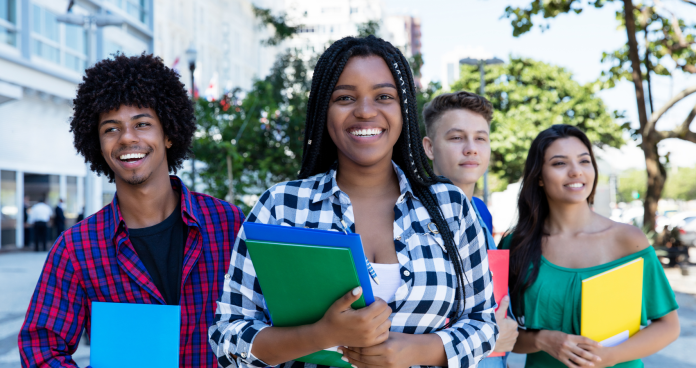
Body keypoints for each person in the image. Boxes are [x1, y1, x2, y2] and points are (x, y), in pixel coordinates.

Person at [209, 35, 498, 368]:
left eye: (383, 96)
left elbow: (483, 322)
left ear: (403, 109)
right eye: (345, 97)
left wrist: (417, 350)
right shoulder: (282, 206)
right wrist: (321, 334)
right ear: (323, 110)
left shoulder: (450, 206)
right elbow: (228, 337)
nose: (364, 111)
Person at [18, 53, 245, 367]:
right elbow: (41, 350)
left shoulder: (230, 226)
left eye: (142, 124)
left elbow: (268, 324)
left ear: (168, 134)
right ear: (97, 144)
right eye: (111, 129)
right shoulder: (76, 248)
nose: (127, 138)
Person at [501, 124, 680, 368]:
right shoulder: (515, 245)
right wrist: (542, 340)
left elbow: (668, 326)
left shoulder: (628, 240)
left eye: (584, 161)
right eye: (559, 163)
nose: (576, 172)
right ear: (539, 177)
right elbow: (496, 333)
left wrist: (610, 357)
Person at [421, 91, 519, 368]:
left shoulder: (480, 211)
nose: (471, 148)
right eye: (456, 138)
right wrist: (488, 341)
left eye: (480, 138)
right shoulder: (411, 215)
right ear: (429, 148)